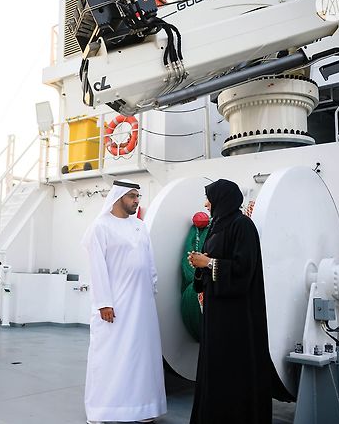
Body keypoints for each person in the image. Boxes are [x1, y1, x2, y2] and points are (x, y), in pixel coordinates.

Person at [188, 179, 290, 424]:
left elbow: (245, 269)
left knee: (233, 370)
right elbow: (214, 260)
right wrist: (200, 264)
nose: (206, 203)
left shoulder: (243, 226)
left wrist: (209, 264)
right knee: (216, 369)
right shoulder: (216, 226)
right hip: (216, 315)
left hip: (237, 318)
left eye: (209, 198)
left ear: (222, 199)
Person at [82, 180, 166, 424]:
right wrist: (103, 303)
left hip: (142, 305)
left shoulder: (140, 226)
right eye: (132, 196)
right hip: (115, 305)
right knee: (109, 356)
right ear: (118, 197)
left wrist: (152, 289)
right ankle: (101, 410)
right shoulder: (101, 227)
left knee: (141, 357)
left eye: (138, 196)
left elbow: (149, 262)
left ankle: (142, 408)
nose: (136, 200)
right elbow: (97, 267)